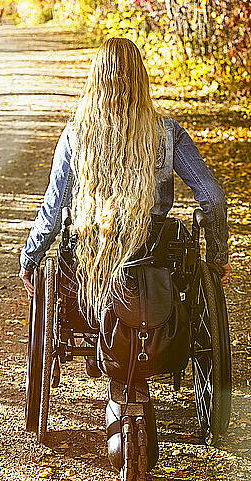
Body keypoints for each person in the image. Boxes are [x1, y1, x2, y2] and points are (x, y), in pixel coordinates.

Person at [19, 37, 231, 305]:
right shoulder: (166, 132)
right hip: (156, 250)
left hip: (93, 251)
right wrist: (217, 257)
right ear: (141, 78)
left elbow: (54, 207)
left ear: (96, 79)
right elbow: (213, 197)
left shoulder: (77, 133)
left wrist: (31, 257)